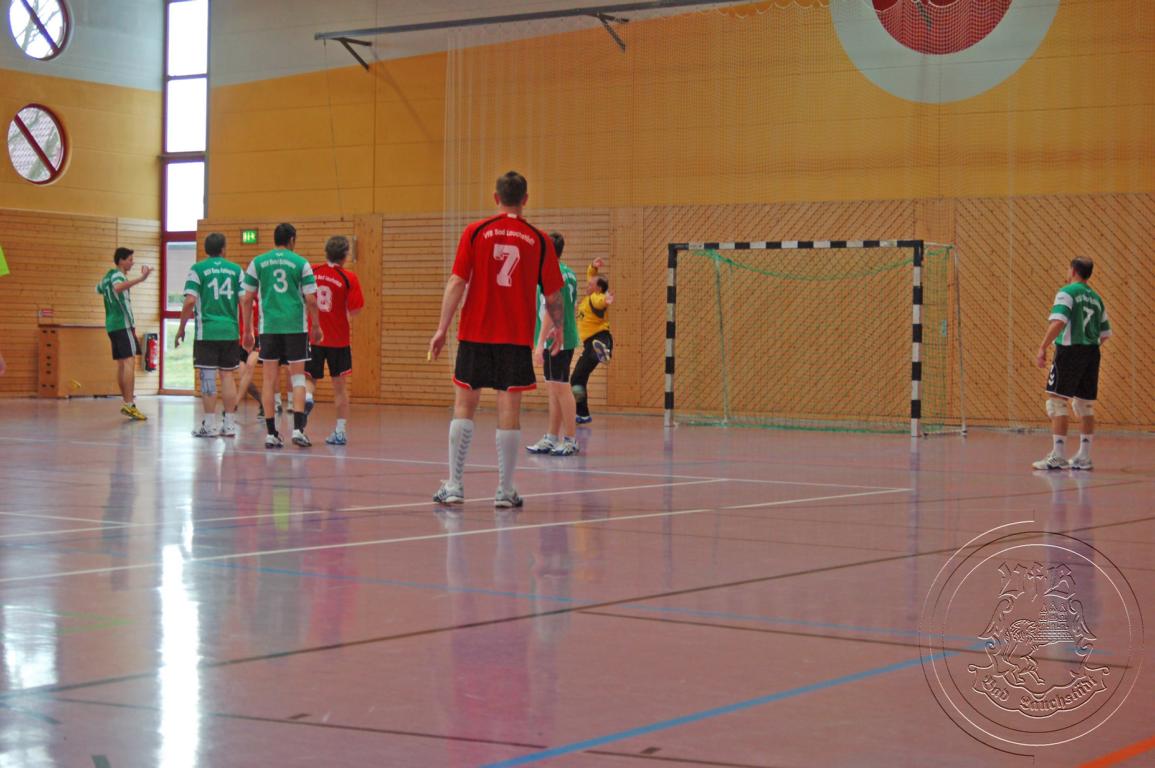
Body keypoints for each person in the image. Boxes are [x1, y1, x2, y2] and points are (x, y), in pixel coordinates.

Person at [428, 171, 565, 508]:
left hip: (475, 332)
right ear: (525, 199)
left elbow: (457, 282)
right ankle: (504, 491)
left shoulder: (475, 231)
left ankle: (455, 486)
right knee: (509, 408)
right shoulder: (540, 240)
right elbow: (553, 294)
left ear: (496, 198)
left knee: (464, 405)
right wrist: (558, 328)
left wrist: (442, 328)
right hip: (515, 338)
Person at [240, 223, 323, 449]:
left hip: (269, 328)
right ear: (292, 240)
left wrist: (247, 331)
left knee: (269, 380)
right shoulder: (301, 263)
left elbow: (246, 299)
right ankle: (298, 430)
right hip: (295, 327)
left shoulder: (257, 262)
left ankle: (271, 434)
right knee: (298, 379)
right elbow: (311, 299)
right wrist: (316, 326)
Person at [1034, 257, 1111, 471]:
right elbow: (1105, 334)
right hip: (1092, 352)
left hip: (1069, 350)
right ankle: (1083, 457)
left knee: (1057, 402)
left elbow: (1059, 321)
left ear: (1074, 271)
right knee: (1084, 405)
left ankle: (1058, 456)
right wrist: (1087, 347)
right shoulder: (1096, 299)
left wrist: (1042, 347)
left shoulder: (1067, 292)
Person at [176, 232, 244, 438]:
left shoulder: (197, 269)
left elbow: (189, 301)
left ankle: (210, 425)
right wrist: (248, 328)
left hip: (206, 332)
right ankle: (229, 425)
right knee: (227, 376)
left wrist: (181, 328)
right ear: (223, 249)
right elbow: (245, 300)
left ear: (206, 249)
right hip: (230, 331)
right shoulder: (236, 270)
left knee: (208, 377)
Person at [305, 235, 365, 446]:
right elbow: (356, 310)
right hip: (339, 340)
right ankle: (339, 432)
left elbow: (304, 297)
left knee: (310, 379)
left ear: (326, 253)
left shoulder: (312, 271)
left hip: (314, 337)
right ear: (345, 255)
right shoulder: (349, 278)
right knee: (340, 388)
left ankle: (308, 398)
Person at [527, 232, 581, 456]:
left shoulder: (550, 274)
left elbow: (552, 308)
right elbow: (573, 306)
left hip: (555, 339)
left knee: (560, 388)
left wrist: (540, 343)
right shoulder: (569, 273)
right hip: (565, 336)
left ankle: (570, 439)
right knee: (554, 388)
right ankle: (551, 436)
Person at [95, 247, 150, 421]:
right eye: (130, 259)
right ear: (121, 260)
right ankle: (129, 404)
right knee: (129, 363)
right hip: (123, 324)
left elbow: (98, 289)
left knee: (121, 364)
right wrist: (141, 279)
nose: (132, 263)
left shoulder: (107, 276)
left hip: (112, 325)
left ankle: (126, 402)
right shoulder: (118, 275)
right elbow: (118, 287)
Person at [571, 256, 614, 424]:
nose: (587, 285)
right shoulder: (589, 296)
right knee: (577, 379)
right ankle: (582, 414)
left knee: (577, 378)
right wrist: (593, 267)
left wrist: (606, 300)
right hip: (591, 345)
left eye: (590, 285)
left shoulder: (595, 297)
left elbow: (600, 301)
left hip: (600, 338)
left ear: (598, 289)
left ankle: (604, 352)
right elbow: (591, 277)